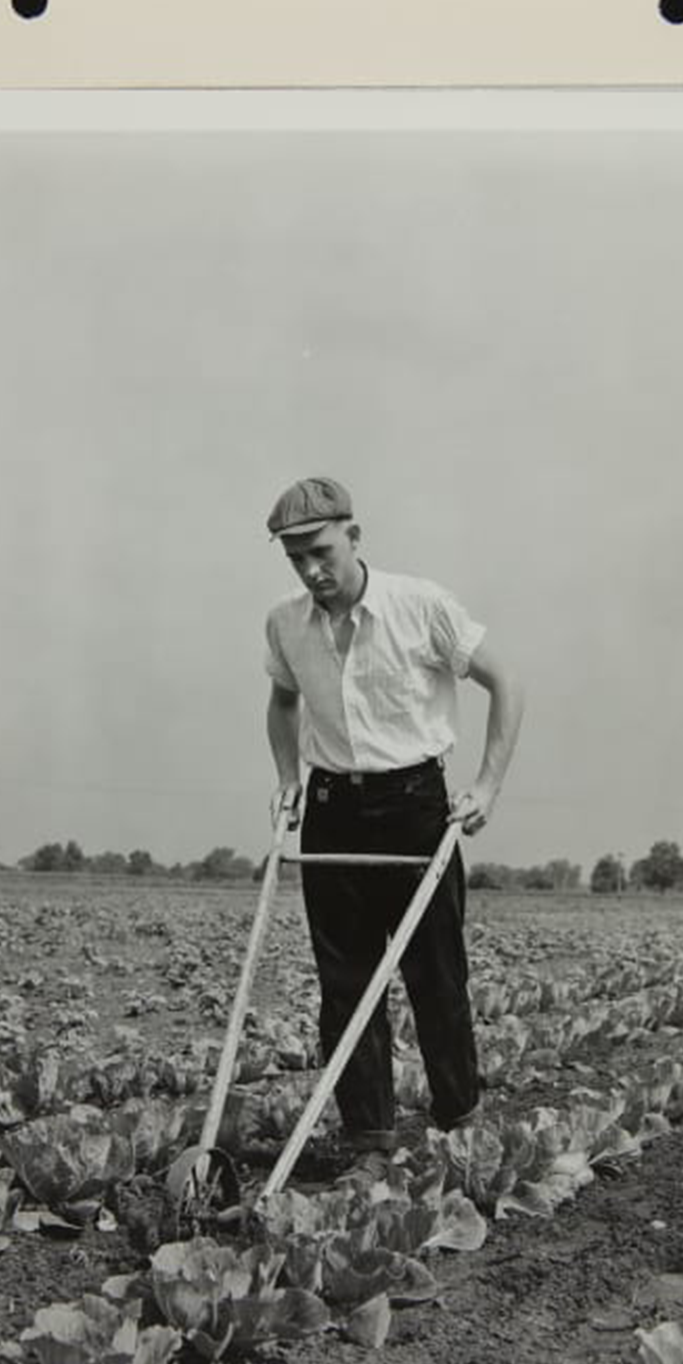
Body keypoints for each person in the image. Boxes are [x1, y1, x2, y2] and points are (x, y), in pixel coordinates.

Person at [263, 476, 524, 1154]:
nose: (312, 570)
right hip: (331, 811)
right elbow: (282, 702)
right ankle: (368, 1144)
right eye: (296, 559)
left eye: (321, 551)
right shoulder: (286, 623)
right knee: (345, 986)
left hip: (414, 806)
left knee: (435, 976)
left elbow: (506, 682)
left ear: (354, 536)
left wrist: (487, 787)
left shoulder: (420, 606)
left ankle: (462, 1128)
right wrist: (289, 776)